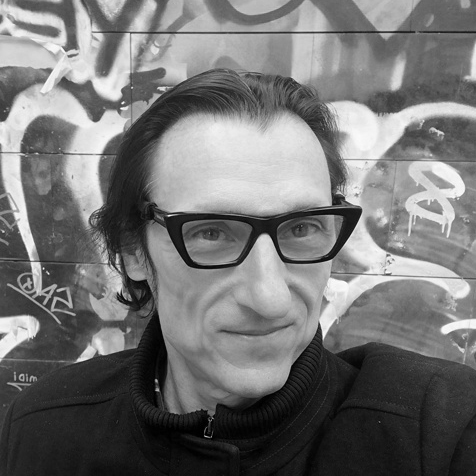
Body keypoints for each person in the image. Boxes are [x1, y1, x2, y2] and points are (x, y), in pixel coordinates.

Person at [1, 69, 475, 475]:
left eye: (302, 228)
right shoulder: (44, 436)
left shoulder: (438, 435)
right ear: (133, 251)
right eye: (211, 233)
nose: (270, 298)